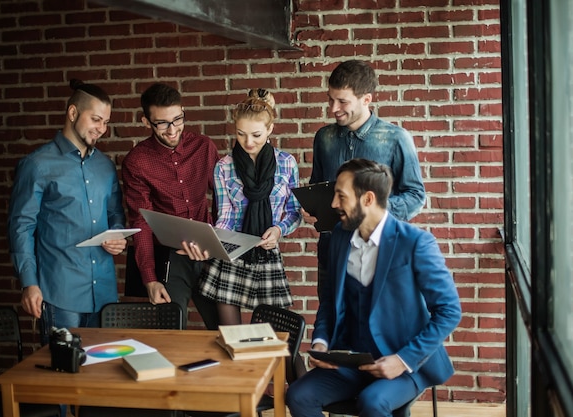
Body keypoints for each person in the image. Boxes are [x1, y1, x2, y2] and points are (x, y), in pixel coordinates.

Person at [286, 158, 461, 417]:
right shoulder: (339, 237)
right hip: (350, 361)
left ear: (368, 199)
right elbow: (329, 299)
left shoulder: (416, 243)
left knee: (373, 402)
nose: (333, 204)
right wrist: (321, 343)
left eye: (341, 196)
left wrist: (402, 360)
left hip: (403, 363)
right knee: (298, 396)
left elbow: (449, 311)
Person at [8, 79, 127, 345]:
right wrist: (29, 282)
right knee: (63, 374)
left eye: (106, 122)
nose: (102, 129)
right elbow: (20, 227)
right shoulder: (37, 165)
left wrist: (119, 238)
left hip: (104, 293)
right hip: (59, 294)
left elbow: (116, 216)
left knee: (102, 371)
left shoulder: (105, 167)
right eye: (96, 119)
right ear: (73, 113)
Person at [306, 59, 426, 299]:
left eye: (342, 101)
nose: (333, 108)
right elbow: (317, 185)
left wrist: (367, 211)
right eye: (330, 99)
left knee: (377, 327)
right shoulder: (323, 138)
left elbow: (416, 196)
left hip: (379, 252)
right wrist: (312, 208)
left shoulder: (396, 139)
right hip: (332, 252)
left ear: (366, 99)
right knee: (333, 324)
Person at [194, 89, 302, 325]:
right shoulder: (224, 166)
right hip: (232, 250)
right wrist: (215, 240)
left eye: (256, 134)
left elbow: (294, 212)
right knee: (231, 334)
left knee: (270, 337)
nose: (248, 142)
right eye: (241, 134)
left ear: (270, 129)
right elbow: (224, 215)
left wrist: (278, 230)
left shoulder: (286, 163)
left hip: (266, 252)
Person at [122, 82, 219, 330]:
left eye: (178, 119)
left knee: (225, 331)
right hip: (168, 258)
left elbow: (224, 199)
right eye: (162, 123)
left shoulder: (204, 147)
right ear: (146, 122)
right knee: (170, 332)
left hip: (207, 252)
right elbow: (140, 221)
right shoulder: (137, 162)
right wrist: (150, 279)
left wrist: (219, 242)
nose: (172, 129)